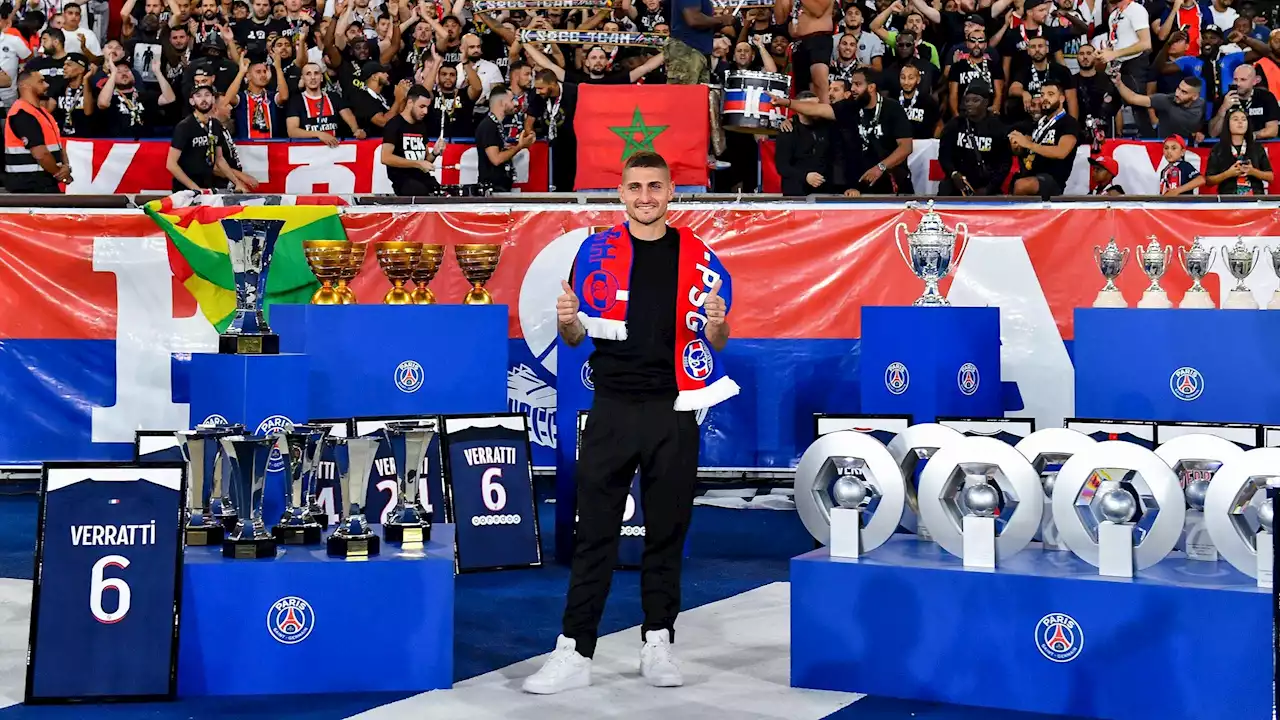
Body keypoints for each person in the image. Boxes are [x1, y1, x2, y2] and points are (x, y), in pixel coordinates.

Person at [523, 150, 737, 695]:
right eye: (635, 186)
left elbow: (714, 342)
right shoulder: (595, 253)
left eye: (655, 187)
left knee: (667, 533)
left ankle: (659, 641)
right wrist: (568, 323)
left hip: (675, 410)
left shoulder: (701, 259)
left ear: (671, 194)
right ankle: (575, 650)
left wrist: (717, 325)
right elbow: (575, 340)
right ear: (620, 192)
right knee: (594, 532)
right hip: (612, 408)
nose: (645, 196)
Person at [775, 67, 914, 195]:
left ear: (871, 87)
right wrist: (787, 103)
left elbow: (906, 147)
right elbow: (815, 109)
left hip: (890, 182)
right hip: (860, 183)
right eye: (852, 84)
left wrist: (880, 168)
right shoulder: (849, 106)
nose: (852, 88)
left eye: (858, 85)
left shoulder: (893, 109)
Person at [938, 82, 1011, 196]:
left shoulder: (997, 127)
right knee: (944, 188)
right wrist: (953, 173)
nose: (970, 104)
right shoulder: (955, 125)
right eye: (967, 100)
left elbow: (1004, 163)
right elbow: (944, 154)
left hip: (986, 184)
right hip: (959, 182)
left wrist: (989, 188)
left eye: (975, 100)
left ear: (986, 102)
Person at [1009, 79, 1079, 198]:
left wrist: (1028, 144)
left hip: (1052, 180)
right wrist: (1017, 146)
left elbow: (1061, 152)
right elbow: (1025, 150)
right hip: (1030, 173)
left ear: (1062, 98)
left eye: (1050, 94)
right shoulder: (1038, 123)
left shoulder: (1069, 123)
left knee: (1022, 186)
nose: (1044, 98)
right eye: (1042, 95)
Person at [168, 84, 245, 192]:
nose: (203, 99)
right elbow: (171, 164)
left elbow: (219, 159)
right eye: (198, 96)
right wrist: (195, 189)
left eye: (207, 95)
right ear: (192, 101)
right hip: (186, 191)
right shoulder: (185, 126)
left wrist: (237, 183)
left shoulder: (215, 125)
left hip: (209, 187)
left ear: (213, 99)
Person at [4, 70, 68, 193]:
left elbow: (58, 146)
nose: (47, 85)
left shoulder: (42, 112)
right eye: (41, 82)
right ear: (25, 86)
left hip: (43, 182)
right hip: (29, 186)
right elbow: (40, 154)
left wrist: (65, 167)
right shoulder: (22, 113)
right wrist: (60, 173)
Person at [381, 84, 444, 196]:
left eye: (427, 107)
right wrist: (417, 163)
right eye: (422, 106)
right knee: (419, 191)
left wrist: (435, 153)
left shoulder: (421, 126)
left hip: (423, 178)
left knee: (445, 193)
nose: (425, 111)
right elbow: (385, 158)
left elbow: (426, 161)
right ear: (410, 103)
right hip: (404, 181)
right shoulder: (394, 125)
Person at [1109, 68, 1206, 139]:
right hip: (1165, 149)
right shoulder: (1166, 101)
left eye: (1184, 92)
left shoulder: (1202, 105)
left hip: (1191, 150)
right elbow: (1133, 98)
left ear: (1195, 96)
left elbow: (1203, 126)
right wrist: (1118, 83)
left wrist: (1198, 133)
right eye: (1178, 88)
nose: (1177, 93)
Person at [474, 83, 535, 194]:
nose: (515, 104)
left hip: (499, 187)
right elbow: (496, 159)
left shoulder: (496, 125)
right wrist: (520, 146)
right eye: (512, 100)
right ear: (502, 103)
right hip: (492, 190)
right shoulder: (489, 126)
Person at [1205, 104, 1274, 194]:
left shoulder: (1257, 147)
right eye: (1235, 119)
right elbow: (1209, 180)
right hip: (1228, 199)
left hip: (1255, 198)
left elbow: (1271, 177)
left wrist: (1253, 171)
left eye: (1244, 119)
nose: (1240, 122)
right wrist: (1228, 174)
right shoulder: (1218, 149)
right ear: (1227, 124)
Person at [774, 90, 832, 195]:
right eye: (810, 106)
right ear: (799, 109)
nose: (816, 109)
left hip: (824, 193)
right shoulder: (788, 130)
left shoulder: (826, 126)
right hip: (797, 194)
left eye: (818, 105)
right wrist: (805, 176)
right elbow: (782, 167)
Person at [776, 0, 834, 102]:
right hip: (799, 42)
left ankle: (825, 115)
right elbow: (780, 19)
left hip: (819, 38)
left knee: (819, 83)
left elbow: (818, 11)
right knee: (802, 90)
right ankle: (805, 117)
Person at [531, 68, 578, 192]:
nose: (538, 92)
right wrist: (530, 133)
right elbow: (530, 118)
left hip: (572, 146)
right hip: (550, 147)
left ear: (552, 84)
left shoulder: (573, 91)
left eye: (541, 88)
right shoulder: (538, 96)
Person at [1208, 63, 1280, 138]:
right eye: (1235, 79)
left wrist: (1249, 137)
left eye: (1243, 80)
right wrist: (1223, 109)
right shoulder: (1224, 99)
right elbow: (1213, 133)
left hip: (1258, 145)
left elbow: (1273, 130)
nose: (1238, 84)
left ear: (1254, 81)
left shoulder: (1267, 98)